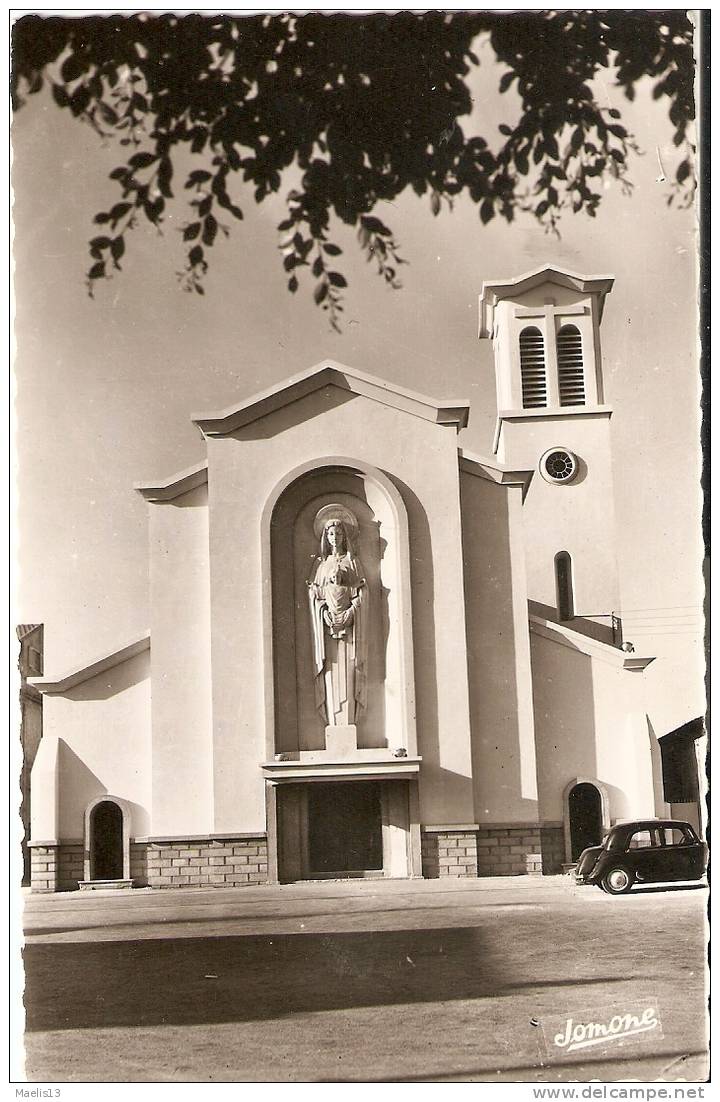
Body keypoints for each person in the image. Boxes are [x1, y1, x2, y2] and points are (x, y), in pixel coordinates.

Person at [308, 512, 367, 726]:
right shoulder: (321, 566)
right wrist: (325, 614)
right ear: (326, 536)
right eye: (331, 533)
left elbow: (361, 594)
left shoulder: (352, 561)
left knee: (349, 673)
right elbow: (315, 596)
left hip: (351, 633)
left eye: (339, 533)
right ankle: (334, 721)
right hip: (328, 630)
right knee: (332, 673)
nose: (335, 537)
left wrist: (349, 614)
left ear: (344, 536)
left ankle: (348, 720)